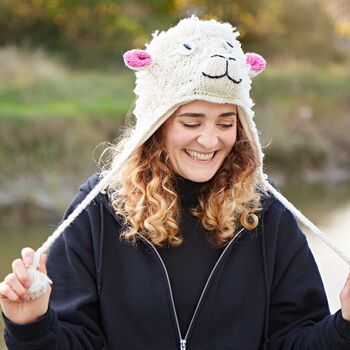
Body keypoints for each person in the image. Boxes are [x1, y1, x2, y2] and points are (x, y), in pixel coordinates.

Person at [1, 15, 350, 350]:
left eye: (226, 123)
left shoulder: (266, 215)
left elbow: (297, 340)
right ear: (158, 125)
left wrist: (345, 324)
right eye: (192, 121)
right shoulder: (99, 210)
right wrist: (31, 326)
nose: (210, 140)